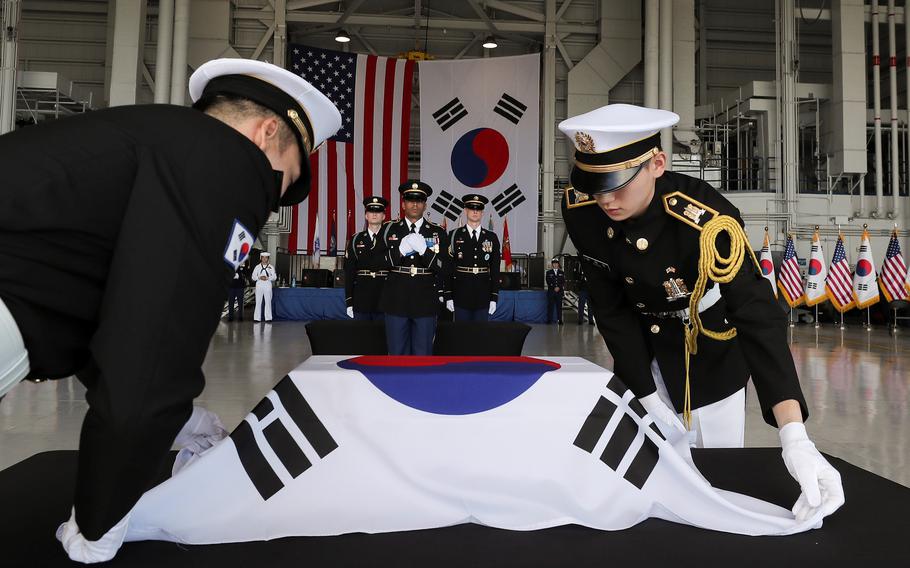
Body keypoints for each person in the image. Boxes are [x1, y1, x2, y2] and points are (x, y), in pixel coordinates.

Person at [0, 57, 340, 562]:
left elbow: (107, 299)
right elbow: (152, 348)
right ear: (268, 132)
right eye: (282, 183)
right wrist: (101, 518)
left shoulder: (156, 137)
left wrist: (176, 419)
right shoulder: (229, 161)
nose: (271, 201)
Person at [559, 103, 843, 522]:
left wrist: (793, 433)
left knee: (719, 485)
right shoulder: (582, 210)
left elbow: (756, 314)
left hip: (709, 357)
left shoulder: (707, 220)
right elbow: (611, 308)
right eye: (594, 184)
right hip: (641, 358)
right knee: (646, 493)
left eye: (617, 184)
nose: (605, 199)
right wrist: (647, 394)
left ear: (657, 163)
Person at [379, 180, 450, 355]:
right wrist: (400, 251)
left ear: (425, 204)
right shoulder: (389, 229)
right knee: (396, 354)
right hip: (396, 300)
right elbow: (378, 263)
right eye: (410, 200)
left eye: (419, 200)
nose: (415, 204)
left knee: (422, 355)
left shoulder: (437, 232)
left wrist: (425, 251)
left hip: (425, 302)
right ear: (403, 204)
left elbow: (446, 267)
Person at [446, 194, 500, 321]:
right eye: (471, 208)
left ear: (482, 213)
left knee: (480, 336)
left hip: (483, 294)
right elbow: (448, 267)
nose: (475, 211)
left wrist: (494, 297)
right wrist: (448, 294)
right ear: (465, 210)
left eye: (478, 209)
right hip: (461, 294)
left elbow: (495, 270)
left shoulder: (491, 237)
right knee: (462, 336)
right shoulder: (454, 235)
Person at [343, 196, 390, 320]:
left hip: (385, 296)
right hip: (361, 297)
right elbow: (349, 271)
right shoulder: (356, 239)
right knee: (361, 337)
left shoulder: (391, 239)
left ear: (384, 216)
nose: (374, 214)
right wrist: (349, 300)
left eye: (378, 211)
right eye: (371, 211)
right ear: (366, 215)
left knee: (383, 337)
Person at [252, 252, 277, 322]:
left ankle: (268, 318)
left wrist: (268, 278)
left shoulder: (271, 267)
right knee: (258, 302)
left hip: (267, 285)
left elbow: (274, 277)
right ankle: (257, 318)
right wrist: (259, 277)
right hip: (259, 285)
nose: (264, 259)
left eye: (266, 258)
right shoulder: (257, 267)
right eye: (263, 257)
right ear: (261, 258)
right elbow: (253, 277)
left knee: (268, 302)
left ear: (268, 259)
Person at [575, 259, 595, 326]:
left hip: (590, 290)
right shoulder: (579, 267)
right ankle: (580, 320)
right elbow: (576, 276)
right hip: (582, 290)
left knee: (590, 306)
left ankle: (591, 320)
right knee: (581, 305)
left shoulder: (592, 268)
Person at [545, 258, 565, 324]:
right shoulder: (548, 272)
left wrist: (559, 287)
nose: (555, 264)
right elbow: (548, 281)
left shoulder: (562, 272)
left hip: (559, 292)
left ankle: (560, 320)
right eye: (554, 263)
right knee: (550, 306)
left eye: (556, 263)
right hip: (551, 292)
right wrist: (554, 287)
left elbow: (563, 282)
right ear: (552, 264)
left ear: (558, 264)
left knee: (559, 306)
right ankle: (549, 320)